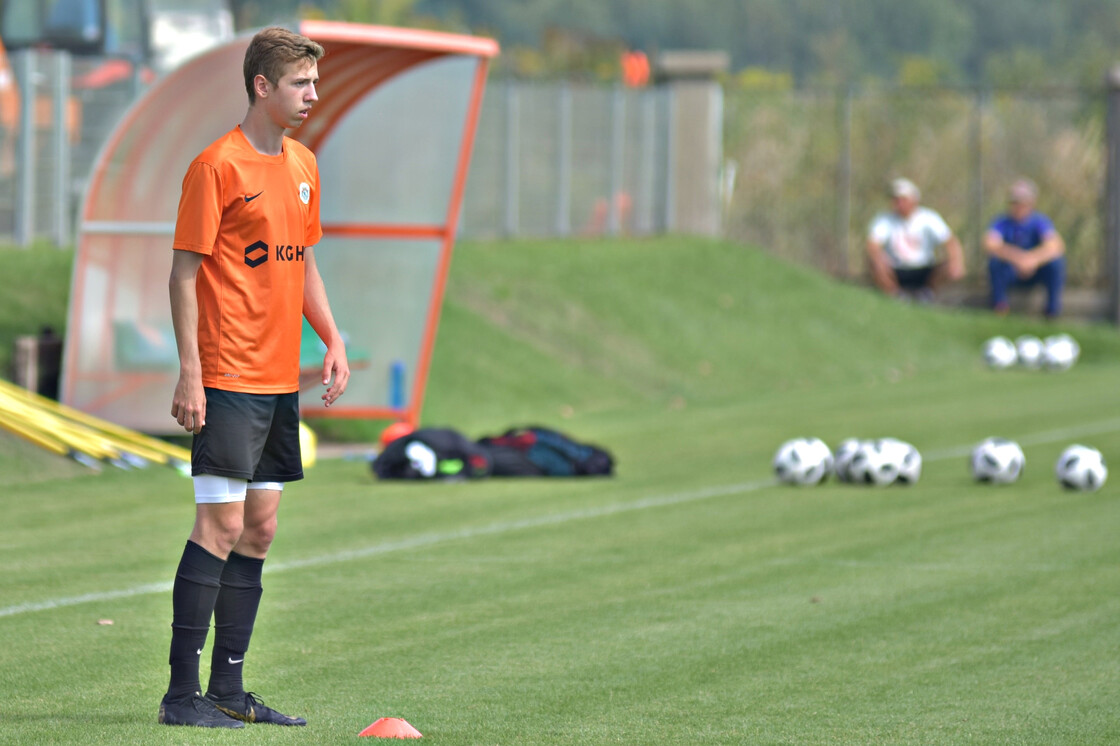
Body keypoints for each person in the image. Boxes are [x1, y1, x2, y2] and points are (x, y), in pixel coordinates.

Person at [160, 26, 350, 729]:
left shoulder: (302, 163)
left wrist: (331, 338)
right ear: (262, 86)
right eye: (300, 83)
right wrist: (191, 373)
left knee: (260, 529)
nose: (313, 95)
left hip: (277, 380)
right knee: (220, 523)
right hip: (228, 373)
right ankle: (180, 699)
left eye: (314, 82)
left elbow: (301, 262)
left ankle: (229, 692)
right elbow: (183, 272)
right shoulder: (216, 167)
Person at [866, 177, 965, 300]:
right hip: (896, 268)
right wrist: (878, 258)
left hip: (924, 269)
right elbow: (873, 244)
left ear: (913, 200)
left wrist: (956, 261)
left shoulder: (928, 218)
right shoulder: (885, 219)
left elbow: (950, 241)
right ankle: (895, 294)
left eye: (902, 199)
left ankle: (927, 293)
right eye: (895, 199)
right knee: (873, 263)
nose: (898, 204)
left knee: (948, 266)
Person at [983, 178, 1065, 318]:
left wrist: (1032, 259)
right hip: (1011, 271)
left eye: (1023, 203)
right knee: (995, 263)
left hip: (1036, 270)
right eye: (1015, 202)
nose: (1019, 207)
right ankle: (1000, 307)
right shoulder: (1002, 222)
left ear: (1031, 203)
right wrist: (1018, 258)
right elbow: (990, 243)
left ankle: (1052, 311)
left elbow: (1056, 245)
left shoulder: (1040, 222)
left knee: (1056, 263)